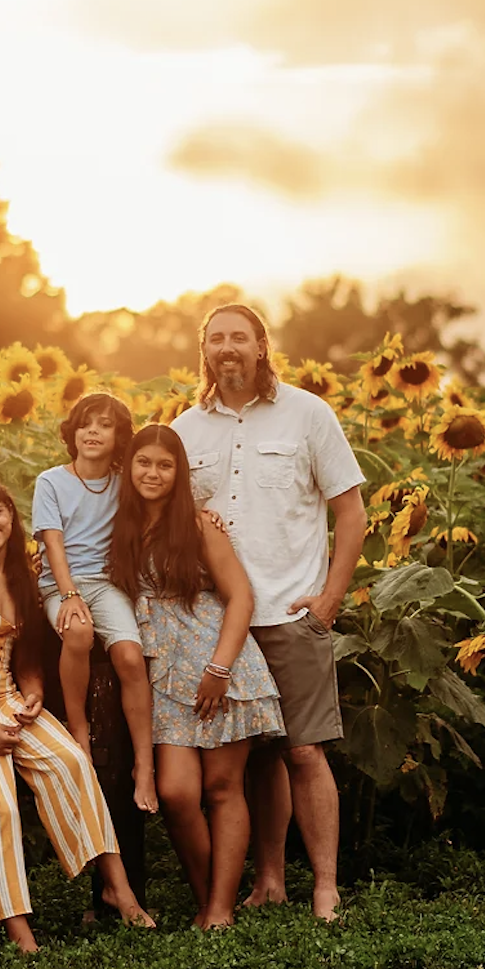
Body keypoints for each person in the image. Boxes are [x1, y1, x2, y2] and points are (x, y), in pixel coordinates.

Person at [171, 304, 366, 921]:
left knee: (304, 751)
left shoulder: (308, 413)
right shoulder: (184, 429)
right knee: (252, 755)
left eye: (239, 337)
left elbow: (351, 511)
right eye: (217, 339)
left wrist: (330, 596)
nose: (228, 348)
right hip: (217, 620)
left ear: (261, 346)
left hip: (288, 609)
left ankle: (326, 888)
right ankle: (271, 880)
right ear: (205, 350)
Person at [0, 474, 155, 953]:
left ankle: (119, 889)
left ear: (12, 514)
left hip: (5, 694)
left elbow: (24, 656)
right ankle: (18, 930)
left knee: (72, 762)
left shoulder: (20, 577)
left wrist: (31, 691)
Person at [110, 425, 285, 928]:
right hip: (162, 671)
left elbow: (241, 597)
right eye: (144, 462)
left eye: (165, 465)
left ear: (179, 472)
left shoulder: (198, 526)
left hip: (217, 661)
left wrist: (219, 669)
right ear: (130, 466)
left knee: (223, 787)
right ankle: (209, 897)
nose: (153, 473)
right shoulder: (119, 524)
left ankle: (219, 911)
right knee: (178, 793)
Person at [31, 392, 157, 813]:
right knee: (79, 633)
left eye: (105, 424)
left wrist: (204, 515)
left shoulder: (124, 483)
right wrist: (67, 594)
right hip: (59, 585)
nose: (93, 431)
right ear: (73, 431)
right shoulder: (51, 481)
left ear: (120, 435)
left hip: (107, 587)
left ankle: (145, 764)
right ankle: (80, 732)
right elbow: (53, 543)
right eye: (86, 423)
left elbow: (162, 507)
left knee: (130, 656)